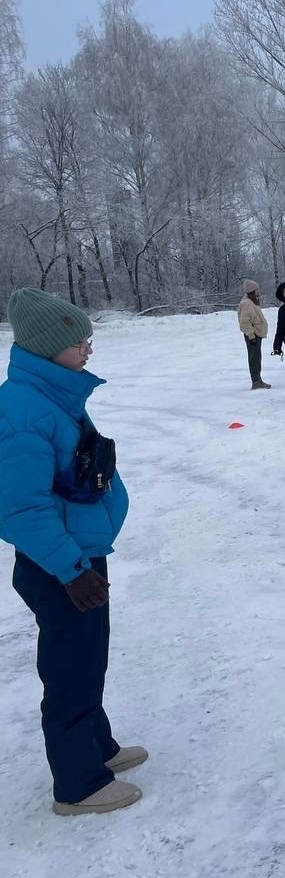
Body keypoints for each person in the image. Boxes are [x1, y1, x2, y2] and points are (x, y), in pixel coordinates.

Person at [0, 289, 145, 816]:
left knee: (88, 656)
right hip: (59, 565)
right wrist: (70, 569)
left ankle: (96, 747)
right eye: (78, 342)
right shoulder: (22, 409)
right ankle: (77, 784)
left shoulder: (51, 396)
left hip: (76, 558)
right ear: (47, 348)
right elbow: (19, 508)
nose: (87, 351)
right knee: (69, 666)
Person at [237, 280, 272, 390]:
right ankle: (256, 381)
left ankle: (258, 379)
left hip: (256, 334)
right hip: (253, 335)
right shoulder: (247, 303)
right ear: (252, 291)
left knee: (257, 357)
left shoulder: (252, 302)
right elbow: (244, 322)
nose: (258, 292)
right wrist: (251, 336)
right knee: (254, 358)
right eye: (256, 290)